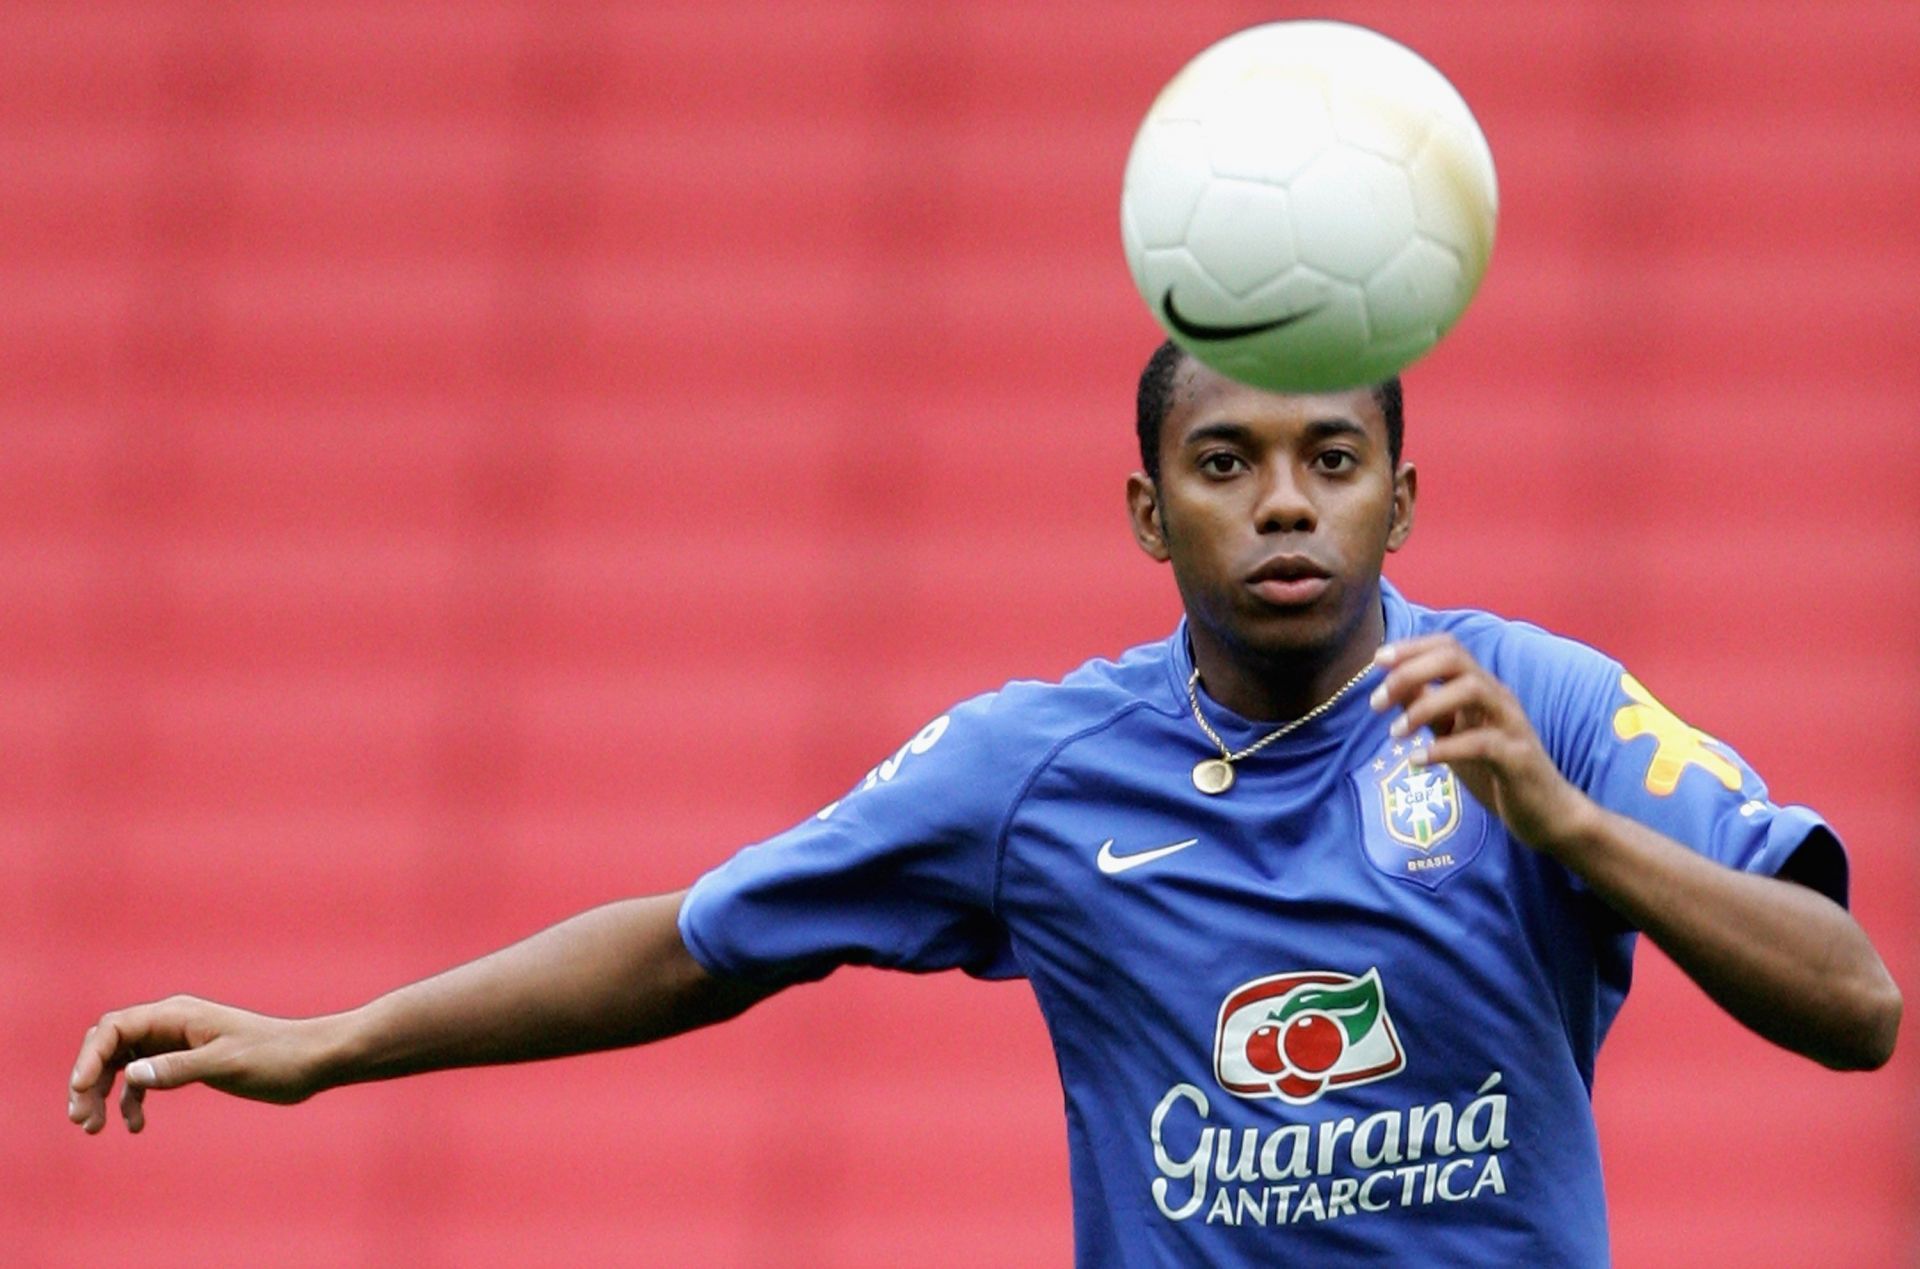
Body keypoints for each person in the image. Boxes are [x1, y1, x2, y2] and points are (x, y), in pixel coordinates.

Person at [69, 341, 1900, 1265]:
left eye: (1333, 460)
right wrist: (327, 1041)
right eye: (1226, 462)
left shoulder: (1544, 707)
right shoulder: (1035, 771)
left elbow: (1857, 1004)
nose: (1283, 503)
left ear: (1404, 502)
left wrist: (1572, 834)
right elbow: (699, 940)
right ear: (1145, 509)